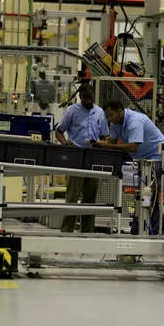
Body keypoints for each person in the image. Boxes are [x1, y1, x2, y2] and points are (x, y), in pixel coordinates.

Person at [96, 100, 164, 235]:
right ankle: (142, 228)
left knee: (149, 194)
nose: (109, 119)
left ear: (120, 110)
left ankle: (149, 231)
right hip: (142, 159)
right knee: (143, 194)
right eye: (107, 116)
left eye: (111, 115)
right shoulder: (116, 124)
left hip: (157, 157)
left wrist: (109, 146)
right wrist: (99, 144)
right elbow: (111, 142)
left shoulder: (134, 121)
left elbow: (133, 146)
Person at [55, 85, 108, 233]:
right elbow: (58, 132)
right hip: (76, 157)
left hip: (93, 157)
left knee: (90, 199)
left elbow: (105, 135)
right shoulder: (72, 111)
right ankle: (67, 231)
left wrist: (103, 144)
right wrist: (66, 143)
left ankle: (88, 232)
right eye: (86, 98)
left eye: (91, 97)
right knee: (72, 197)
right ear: (81, 97)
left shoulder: (100, 112)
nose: (89, 100)